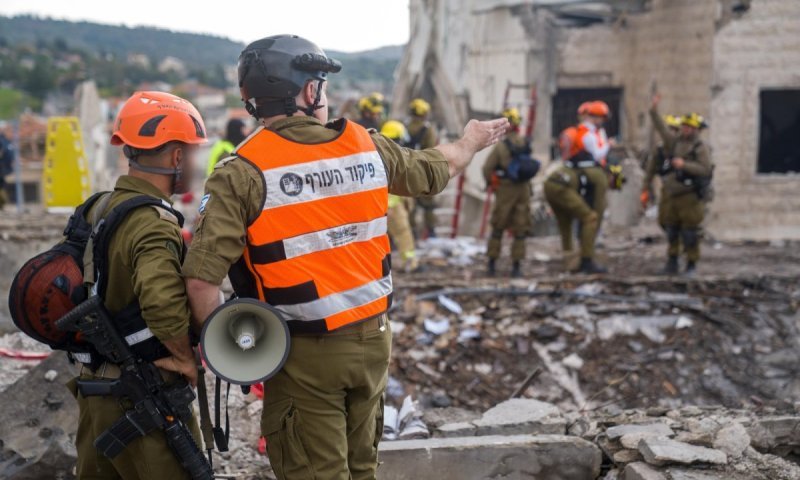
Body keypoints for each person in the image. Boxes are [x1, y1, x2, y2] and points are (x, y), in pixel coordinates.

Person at [181, 34, 508, 480]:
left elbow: (201, 281)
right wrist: (470, 140)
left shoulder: (242, 171)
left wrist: (237, 356)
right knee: (361, 468)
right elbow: (438, 168)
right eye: (322, 84)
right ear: (309, 91)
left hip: (301, 355)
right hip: (374, 344)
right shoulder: (366, 145)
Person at [69, 91, 206, 478]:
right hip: (142, 396)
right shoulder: (153, 222)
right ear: (176, 157)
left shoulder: (99, 206)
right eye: (192, 152)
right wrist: (184, 358)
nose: (194, 162)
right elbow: (161, 302)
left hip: (94, 386)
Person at [645, 94, 713, 275]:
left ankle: (691, 264)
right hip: (672, 194)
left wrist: (684, 165)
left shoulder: (700, 147)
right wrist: (653, 110)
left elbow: (705, 169)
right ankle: (672, 261)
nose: (685, 129)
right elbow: (661, 128)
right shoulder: (674, 142)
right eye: (684, 126)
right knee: (671, 229)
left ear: (696, 129)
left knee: (690, 232)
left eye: (689, 127)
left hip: (689, 195)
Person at [482, 107, 534, 278]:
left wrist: (491, 183)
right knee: (521, 228)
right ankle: (516, 268)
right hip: (524, 189)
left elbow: (487, 168)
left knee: (498, 226)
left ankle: (491, 265)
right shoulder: (525, 142)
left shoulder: (501, 146)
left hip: (505, 189)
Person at [381, 120, 420, 272]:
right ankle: (410, 263)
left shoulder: (376, 152)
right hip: (392, 205)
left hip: (379, 205)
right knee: (403, 234)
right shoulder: (394, 157)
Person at [405, 98, 439, 237]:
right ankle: (431, 231)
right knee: (428, 204)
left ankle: (412, 233)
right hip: (422, 170)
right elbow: (431, 150)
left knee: (410, 204)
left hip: (406, 170)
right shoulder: (428, 129)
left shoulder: (405, 126)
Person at [641, 112, 681, 209]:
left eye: (675, 130)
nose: (672, 133)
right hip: (666, 188)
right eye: (670, 129)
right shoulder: (659, 150)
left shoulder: (685, 149)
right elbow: (650, 171)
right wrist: (645, 189)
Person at [0, 128, 15, 210]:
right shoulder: (5, 141)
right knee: (2, 185)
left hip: (3, 168)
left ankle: (2, 204)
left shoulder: (5, 141)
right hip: (4, 168)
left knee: (2, 185)